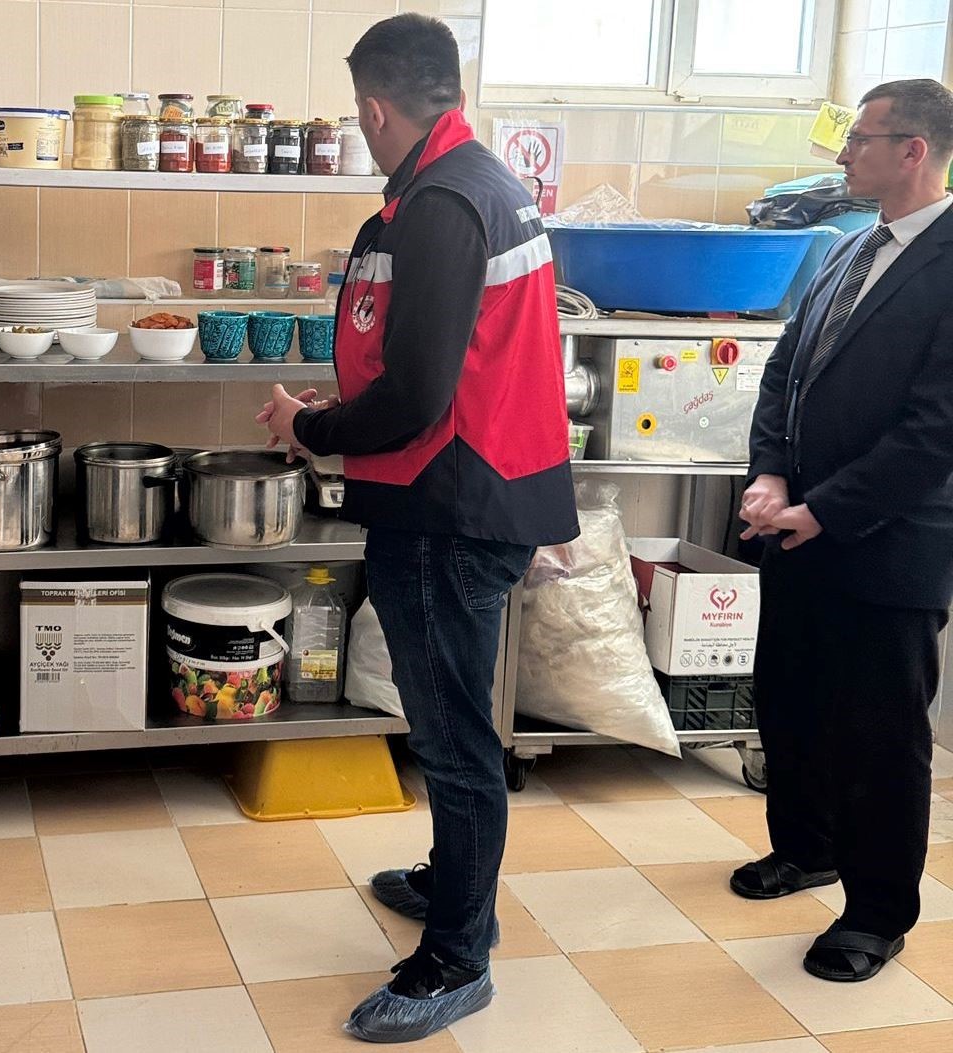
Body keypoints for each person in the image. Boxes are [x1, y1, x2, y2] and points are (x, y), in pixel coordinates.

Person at [260, 13, 578, 1043]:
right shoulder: (470, 183)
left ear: (373, 108)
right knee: (451, 721)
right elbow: (435, 363)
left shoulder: (444, 203)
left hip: (452, 507)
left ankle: (455, 960)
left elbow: (418, 397)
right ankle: (454, 880)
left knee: (452, 739)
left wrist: (310, 428)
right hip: (466, 489)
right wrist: (344, 407)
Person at [736, 78, 953, 983]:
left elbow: (935, 431)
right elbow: (785, 369)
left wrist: (826, 508)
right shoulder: (850, 246)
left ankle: (876, 913)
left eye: (862, 138)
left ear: (914, 150)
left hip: (888, 543)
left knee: (878, 732)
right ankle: (807, 846)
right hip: (796, 527)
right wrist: (770, 473)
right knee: (790, 699)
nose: (844, 153)